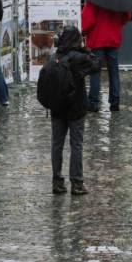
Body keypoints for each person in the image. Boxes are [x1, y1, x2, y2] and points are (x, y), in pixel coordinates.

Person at [49, 27, 101, 196]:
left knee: (57, 145)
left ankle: (57, 182)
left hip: (57, 107)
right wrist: (84, 49)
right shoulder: (80, 58)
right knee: (76, 145)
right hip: (76, 106)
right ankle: (77, 183)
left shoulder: (56, 57)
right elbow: (97, 64)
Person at [82, 0, 131, 112]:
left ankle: (94, 103)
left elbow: (88, 20)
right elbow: (126, 16)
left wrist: (83, 32)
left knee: (95, 71)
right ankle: (115, 102)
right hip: (113, 37)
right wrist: (116, 24)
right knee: (114, 72)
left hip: (97, 38)